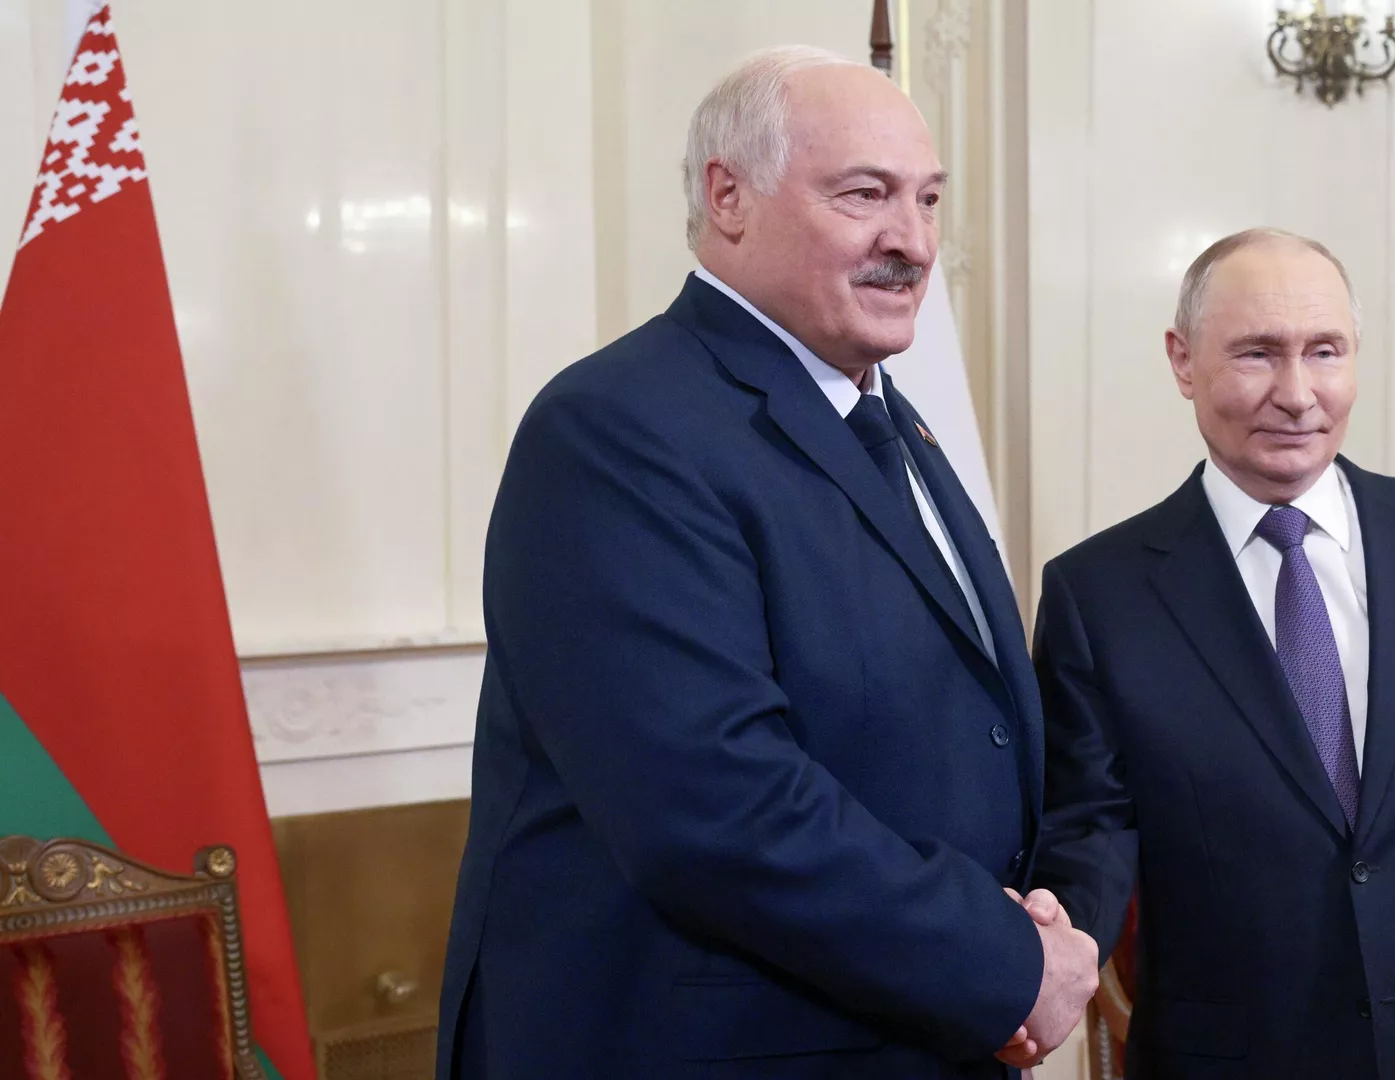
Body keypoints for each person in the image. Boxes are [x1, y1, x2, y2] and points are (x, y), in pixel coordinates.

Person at [436, 46, 1096, 1079]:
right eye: (864, 194)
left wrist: (1026, 935)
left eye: (927, 199)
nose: (913, 241)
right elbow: (716, 807)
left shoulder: (891, 422)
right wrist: (1002, 960)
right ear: (728, 197)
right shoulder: (618, 429)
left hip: (913, 1029)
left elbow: (966, 730)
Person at [1027, 228, 1395, 1078]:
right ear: (1182, 360)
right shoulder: (1099, 595)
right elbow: (1091, 829)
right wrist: (1050, 946)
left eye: (1324, 351)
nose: (1297, 394)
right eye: (1257, 354)